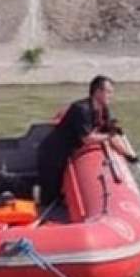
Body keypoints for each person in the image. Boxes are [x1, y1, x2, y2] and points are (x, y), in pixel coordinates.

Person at [36, 76, 117, 208]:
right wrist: (108, 136)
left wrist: (130, 155)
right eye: (108, 92)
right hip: (53, 153)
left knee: (56, 194)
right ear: (97, 92)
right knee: (48, 198)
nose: (111, 96)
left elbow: (112, 128)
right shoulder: (81, 109)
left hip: (66, 152)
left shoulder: (103, 109)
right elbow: (87, 138)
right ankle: (8, 183)